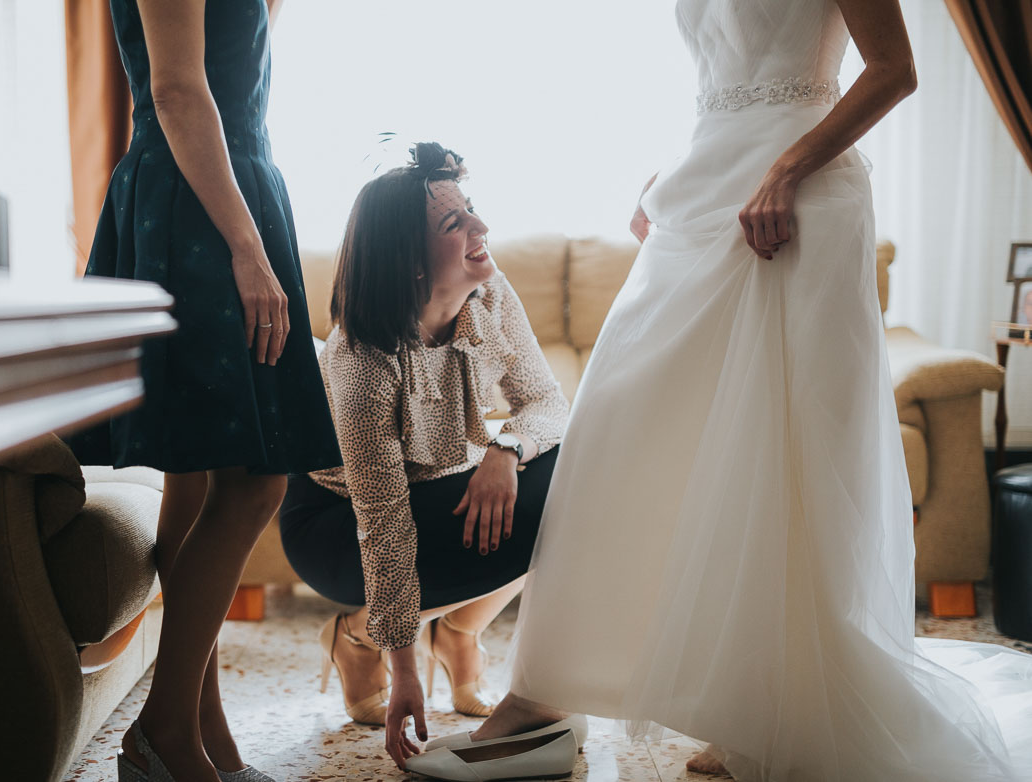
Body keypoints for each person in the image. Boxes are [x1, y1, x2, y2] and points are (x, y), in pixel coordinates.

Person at [406, 1, 1032, 781]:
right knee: (619, 431)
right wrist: (673, 170)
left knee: (778, 454)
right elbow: (729, 82)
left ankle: (765, 710)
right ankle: (544, 702)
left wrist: (783, 169)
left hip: (797, 203)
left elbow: (893, 71)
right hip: (703, 189)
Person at [71, 1, 341, 781]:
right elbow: (180, 92)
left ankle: (201, 730)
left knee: (194, 476)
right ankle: (161, 734)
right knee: (255, 484)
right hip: (199, 209)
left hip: (219, 186)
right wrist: (248, 247)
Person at [278, 143, 569, 768]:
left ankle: (461, 630)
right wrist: (403, 672)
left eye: (473, 210)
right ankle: (359, 635)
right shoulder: (361, 364)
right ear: (409, 262)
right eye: (454, 223)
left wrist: (506, 449)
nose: (480, 228)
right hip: (338, 524)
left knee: (579, 474)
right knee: (509, 511)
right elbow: (384, 527)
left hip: (450, 484)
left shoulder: (491, 295)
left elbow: (548, 403)